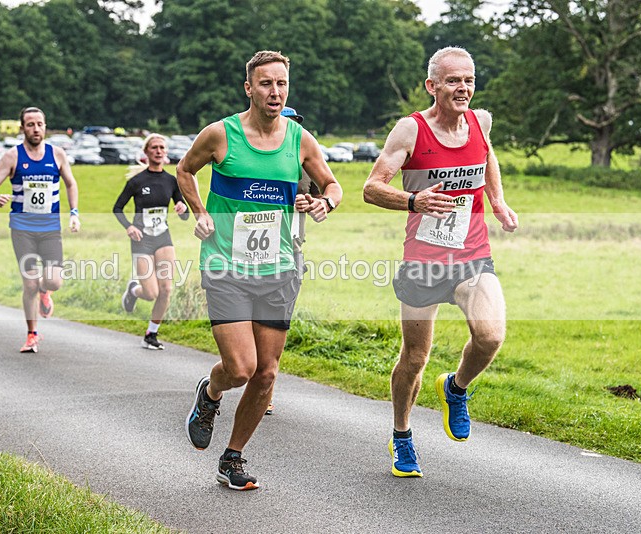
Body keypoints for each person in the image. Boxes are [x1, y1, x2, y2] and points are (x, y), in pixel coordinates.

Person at [178, 50, 343, 491]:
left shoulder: (300, 140)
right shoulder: (221, 135)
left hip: (278, 268)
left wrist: (324, 201)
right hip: (226, 264)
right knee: (241, 368)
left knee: (267, 372)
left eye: (282, 84)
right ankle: (211, 393)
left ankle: (232, 458)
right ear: (249, 88)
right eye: (266, 83)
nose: (275, 91)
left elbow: (332, 183)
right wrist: (200, 211)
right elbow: (185, 170)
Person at [362, 46, 519, 478]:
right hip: (423, 262)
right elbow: (372, 188)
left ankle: (456, 388)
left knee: (490, 337)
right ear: (432, 86)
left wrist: (498, 201)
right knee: (414, 358)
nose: (463, 88)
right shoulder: (409, 131)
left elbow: (487, 156)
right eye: (453, 80)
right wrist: (414, 200)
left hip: (471, 255)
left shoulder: (480, 121)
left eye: (468, 79)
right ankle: (402, 435)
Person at [0, 107, 80, 353]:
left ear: (45, 127)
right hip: (22, 229)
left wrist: (74, 213)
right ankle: (32, 334)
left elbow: (71, 183)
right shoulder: (12, 157)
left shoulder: (56, 154)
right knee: (29, 285)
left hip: (50, 229)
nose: (36, 129)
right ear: (22, 128)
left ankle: (46, 292)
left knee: (54, 281)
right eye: (30, 124)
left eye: (40, 124)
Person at [265, 106, 324, 416]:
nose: (290, 127)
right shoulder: (256, 158)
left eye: (295, 122)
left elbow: (321, 200)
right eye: (287, 121)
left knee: (278, 320)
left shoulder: (303, 160)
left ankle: (265, 388)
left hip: (291, 249)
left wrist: (312, 202)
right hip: (251, 253)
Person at [114, 134, 190, 350]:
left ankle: (151, 333)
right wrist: (129, 226)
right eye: (154, 147)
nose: (158, 151)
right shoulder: (136, 182)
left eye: (162, 148)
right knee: (151, 293)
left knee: (166, 289)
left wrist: (182, 208)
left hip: (163, 237)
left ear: (166, 153)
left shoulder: (170, 181)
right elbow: (117, 208)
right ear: (146, 152)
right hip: (142, 240)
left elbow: (183, 212)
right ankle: (133, 291)